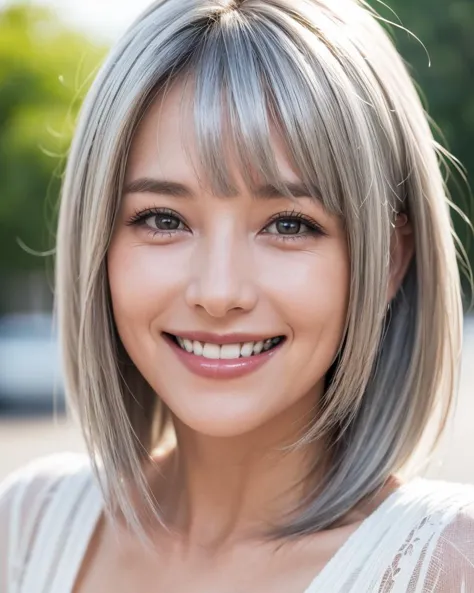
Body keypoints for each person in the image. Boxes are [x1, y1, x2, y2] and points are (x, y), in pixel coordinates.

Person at [1, 0, 473, 590]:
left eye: (288, 224)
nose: (219, 292)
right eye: (163, 219)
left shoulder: (449, 564)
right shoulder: (28, 526)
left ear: (387, 261)